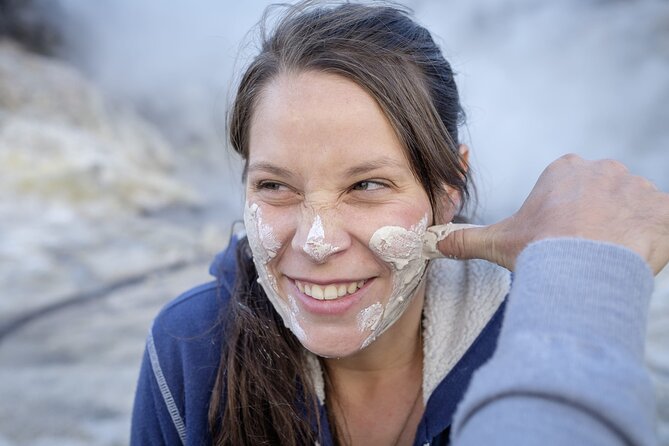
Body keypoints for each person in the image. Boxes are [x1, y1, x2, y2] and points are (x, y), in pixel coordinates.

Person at [130, 2, 669, 445]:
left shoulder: (531, 337)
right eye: (275, 186)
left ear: (448, 187)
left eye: (366, 186)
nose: (318, 242)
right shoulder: (190, 346)